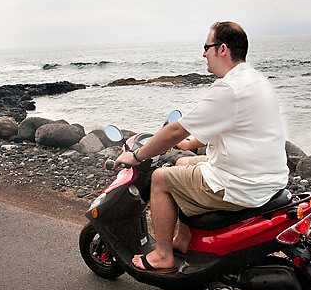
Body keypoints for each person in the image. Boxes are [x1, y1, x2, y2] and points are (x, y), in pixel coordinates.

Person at [113, 22, 289, 272]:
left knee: (161, 179)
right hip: (263, 175)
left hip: (242, 183)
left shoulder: (229, 88)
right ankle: (183, 241)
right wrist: (188, 145)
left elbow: (175, 129)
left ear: (223, 49)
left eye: (207, 47)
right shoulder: (255, 80)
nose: (203, 53)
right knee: (183, 163)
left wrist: (137, 156)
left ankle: (163, 255)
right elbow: (226, 126)